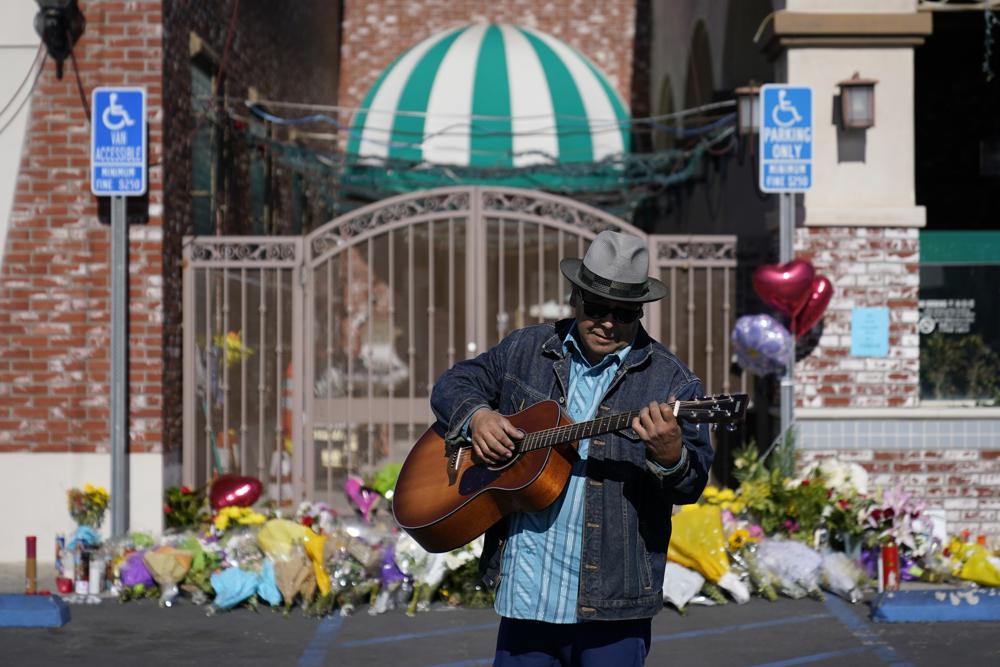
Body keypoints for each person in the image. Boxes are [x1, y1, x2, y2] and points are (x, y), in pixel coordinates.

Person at [430, 230, 714, 666]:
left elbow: (690, 484)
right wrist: (478, 417)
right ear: (575, 299)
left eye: (624, 314)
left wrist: (670, 455)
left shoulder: (673, 382)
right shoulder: (526, 349)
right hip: (526, 598)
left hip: (613, 609)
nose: (607, 323)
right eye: (597, 308)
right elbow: (454, 383)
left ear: (640, 311)